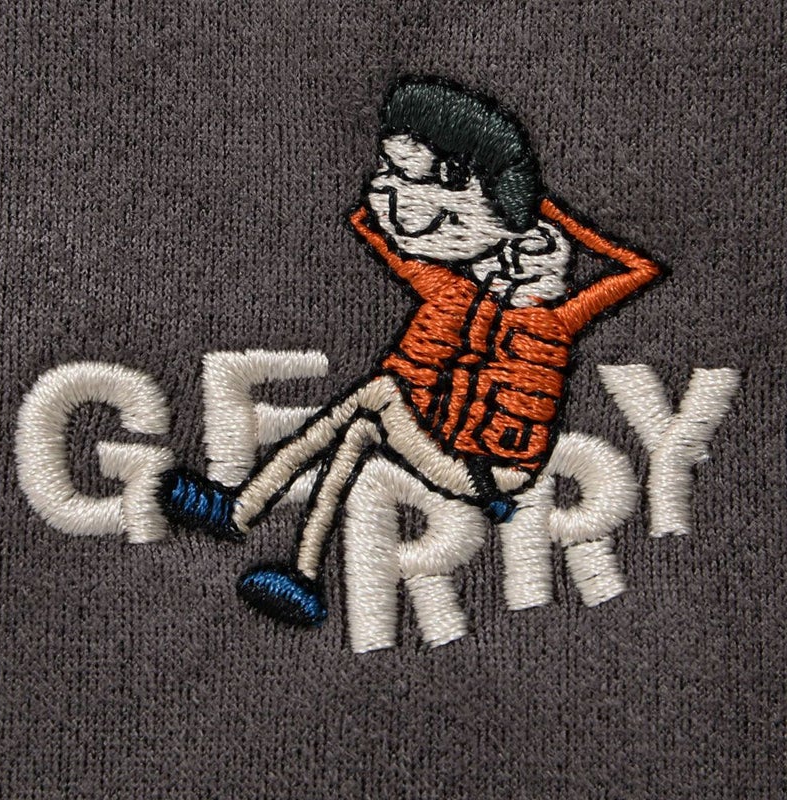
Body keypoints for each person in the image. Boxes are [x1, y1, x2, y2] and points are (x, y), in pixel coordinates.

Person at [158, 76, 663, 627]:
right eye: (511, 251)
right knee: (357, 432)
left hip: (495, 472)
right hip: (438, 444)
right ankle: (302, 572)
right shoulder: (452, 291)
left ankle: (240, 509)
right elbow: (367, 224)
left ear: (557, 270)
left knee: (377, 396)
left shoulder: (559, 321)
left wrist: (534, 205)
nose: (516, 263)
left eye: (537, 254)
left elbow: (640, 268)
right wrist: (486, 196)